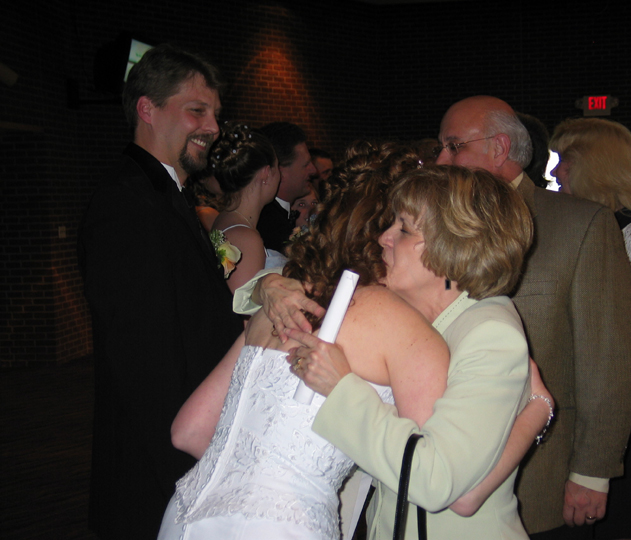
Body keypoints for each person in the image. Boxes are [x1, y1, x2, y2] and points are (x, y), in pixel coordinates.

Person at [251, 97, 631, 539]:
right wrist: (266, 287)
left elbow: (443, 485)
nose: (383, 237)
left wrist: (341, 388)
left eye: (403, 229)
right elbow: (316, 292)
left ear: (452, 245)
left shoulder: (489, 331)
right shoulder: (413, 308)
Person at [157, 143, 451, 540]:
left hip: (184, 516)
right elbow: (428, 477)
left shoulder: (281, 302)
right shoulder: (403, 327)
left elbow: (189, 430)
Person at [432, 96, 631, 539]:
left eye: (453, 146)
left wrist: (592, 472)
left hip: (539, 478)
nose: (440, 160)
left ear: (499, 147)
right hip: (444, 472)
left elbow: (609, 360)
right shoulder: (433, 225)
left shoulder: (577, 225)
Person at [77, 44, 243, 539]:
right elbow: (143, 363)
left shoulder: (162, 193)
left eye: (214, 113)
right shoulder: (126, 203)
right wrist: (191, 477)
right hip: (157, 469)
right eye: (197, 110)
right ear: (147, 109)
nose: (213, 127)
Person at [550, 118, 631, 540]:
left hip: (624, 413)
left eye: (563, 159)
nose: (554, 171)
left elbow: (628, 345)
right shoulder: (582, 223)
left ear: (594, 164)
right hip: (581, 404)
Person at [208, 122, 286, 292]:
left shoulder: (224, 218)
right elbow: (242, 307)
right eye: (277, 166)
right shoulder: (245, 238)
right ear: (266, 173)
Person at [256, 122, 316, 251]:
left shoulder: (275, 215)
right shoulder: (269, 225)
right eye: (306, 165)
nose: (313, 170)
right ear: (280, 172)